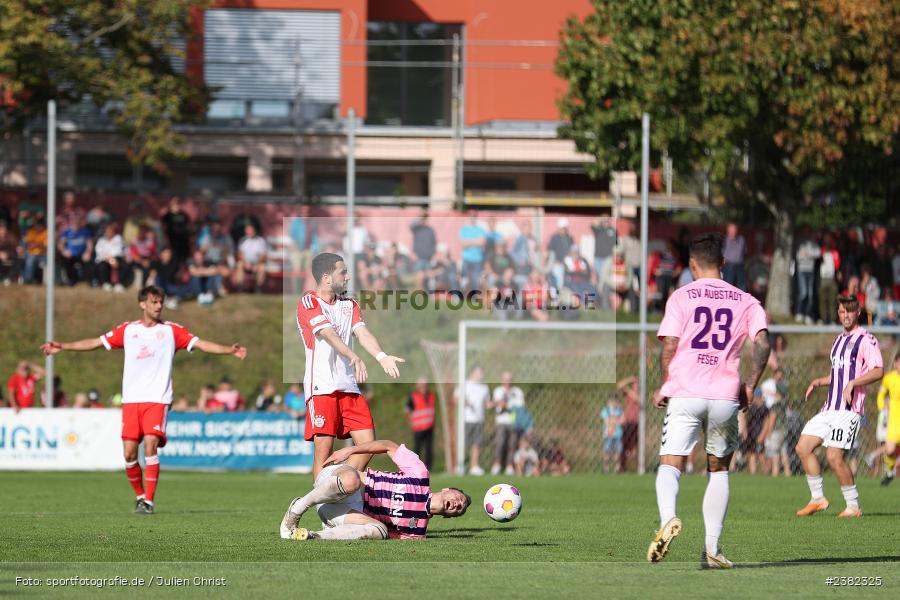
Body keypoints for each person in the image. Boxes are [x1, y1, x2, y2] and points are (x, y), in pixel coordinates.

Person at [41, 285, 247, 515]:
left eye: (161, 302)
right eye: (154, 302)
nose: (158, 306)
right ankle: (139, 496)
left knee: (150, 445)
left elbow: (201, 344)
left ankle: (149, 501)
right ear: (142, 304)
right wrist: (64, 346)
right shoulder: (128, 331)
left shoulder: (172, 331)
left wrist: (229, 350)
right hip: (131, 401)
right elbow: (96, 342)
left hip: (157, 399)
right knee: (129, 454)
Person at [649, 232, 770, 568]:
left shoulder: (680, 296)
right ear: (722, 263)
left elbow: (669, 345)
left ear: (691, 264)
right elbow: (762, 344)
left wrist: (665, 384)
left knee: (670, 463)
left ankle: (667, 520)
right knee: (718, 470)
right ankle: (712, 549)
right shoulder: (745, 300)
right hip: (724, 396)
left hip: (686, 392)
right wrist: (750, 385)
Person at [295, 252, 404, 479]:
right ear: (326, 277)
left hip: (349, 387)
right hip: (322, 388)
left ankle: (340, 485)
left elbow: (362, 333)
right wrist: (352, 356)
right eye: (342, 272)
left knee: (368, 444)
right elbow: (328, 334)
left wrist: (381, 356)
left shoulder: (349, 304)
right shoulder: (308, 302)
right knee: (323, 454)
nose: (347, 276)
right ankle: (324, 506)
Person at [795, 295, 883, 518]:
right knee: (803, 447)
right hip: (829, 408)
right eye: (842, 311)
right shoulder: (837, 341)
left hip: (848, 410)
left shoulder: (866, 339)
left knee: (834, 457)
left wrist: (855, 382)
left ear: (858, 312)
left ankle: (853, 506)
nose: (846, 315)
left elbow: (877, 370)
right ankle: (818, 499)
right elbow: (839, 375)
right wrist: (819, 381)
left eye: (850, 311)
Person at [280, 439, 470, 540]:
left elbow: (378, 535)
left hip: (341, 513)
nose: (457, 504)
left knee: (380, 530)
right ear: (446, 489)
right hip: (338, 481)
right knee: (352, 480)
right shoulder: (420, 474)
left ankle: (313, 537)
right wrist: (351, 451)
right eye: (458, 498)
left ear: (449, 516)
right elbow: (388, 446)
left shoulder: (416, 533)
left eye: (459, 508)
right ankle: (297, 509)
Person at [872, 354, 900, 486]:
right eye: (899, 363)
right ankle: (890, 471)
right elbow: (881, 395)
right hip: (894, 421)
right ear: (895, 363)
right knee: (889, 450)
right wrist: (883, 409)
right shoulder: (889, 378)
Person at [488, 371, 522, 476]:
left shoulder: (517, 391)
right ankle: (497, 464)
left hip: (513, 422)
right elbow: (495, 403)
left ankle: (509, 466)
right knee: (500, 443)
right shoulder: (498, 390)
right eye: (505, 379)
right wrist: (500, 403)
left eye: (509, 379)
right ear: (502, 380)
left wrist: (507, 405)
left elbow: (520, 406)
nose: (507, 381)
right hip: (501, 421)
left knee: (512, 444)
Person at [460, 366, 489, 475]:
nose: (480, 375)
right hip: (466, 419)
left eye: (481, 373)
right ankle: (460, 465)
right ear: (472, 373)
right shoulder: (465, 384)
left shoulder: (484, 387)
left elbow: (486, 402)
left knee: (477, 444)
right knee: (464, 443)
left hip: (479, 419)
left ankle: (474, 466)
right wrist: (465, 402)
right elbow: (456, 397)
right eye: (477, 373)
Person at [405, 377, 436, 470]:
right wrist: (410, 421)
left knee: (429, 449)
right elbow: (407, 410)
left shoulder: (431, 395)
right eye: (421, 386)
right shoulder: (413, 396)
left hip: (429, 427)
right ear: (418, 386)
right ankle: (415, 468)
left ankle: (428, 468)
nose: (424, 388)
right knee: (417, 449)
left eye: (425, 386)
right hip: (418, 428)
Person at [794, 227, 820, 324]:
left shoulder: (813, 243)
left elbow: (817, 253)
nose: (807, 233)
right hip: (802, 270)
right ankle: (799, 312)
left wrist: (808, 254)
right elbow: (798, 256)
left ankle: (808, 315)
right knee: (803, 292)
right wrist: (808, 254)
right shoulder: (801, 243)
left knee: (810, 294)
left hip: (811, 270)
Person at [58, 215, 93, 286]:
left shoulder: (85, 231)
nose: (75, 224)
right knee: (66, 262)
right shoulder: (66, 232)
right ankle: (71, 281)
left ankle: (88, 281)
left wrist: (88, 252)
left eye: (77, 222)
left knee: (89, 263)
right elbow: (61, 244)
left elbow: (89, 243)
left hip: (82, 254)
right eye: (74, 222)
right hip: (70, 255)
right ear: (71, 223)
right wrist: (64, 251)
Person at [234, 223, 268, 292]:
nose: (249, 232)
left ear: (254, 230)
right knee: (239, 265)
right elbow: (239, 255)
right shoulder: (242, 240)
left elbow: (263, 256)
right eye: (248, 230)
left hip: (257, 263)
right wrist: (245, 263)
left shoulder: (260, 241)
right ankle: (239, 287)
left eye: (251, 230)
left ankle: (258, 288)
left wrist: (257, 264)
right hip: (245, 263)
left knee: (262, 267)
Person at [161, 196, 192, 266]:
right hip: (173, 242)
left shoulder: (184, 215)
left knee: (184, 261)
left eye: (178, 204)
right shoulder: (168, 215)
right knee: (174, 260)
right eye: (174, 204)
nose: (176, 206)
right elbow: (163, 225)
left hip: (184, 242)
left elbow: (189, 225)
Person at [600, 396, 624, 473]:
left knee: (617, 452)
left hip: (618, 435)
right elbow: (607, 421)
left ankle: (617, 469)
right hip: (608, 435)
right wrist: (616, 419)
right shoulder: (605, 410)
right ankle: (605, 468)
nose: (613, 403)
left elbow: (623, 420)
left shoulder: (619, 410)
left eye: (615, 401)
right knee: (607, 451)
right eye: (611, 401)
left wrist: (613, 419)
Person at [722, 223, 746, 291]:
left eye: (735, 230)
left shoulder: (741, 240)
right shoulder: (725, 240)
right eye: (731, 230)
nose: (733, 232)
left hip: (740, 265)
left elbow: (744, 252)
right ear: (728, 231)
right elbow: (722, 253)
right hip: (729, 265)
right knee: (729, 283)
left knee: (742, 286)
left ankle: (742, 298)